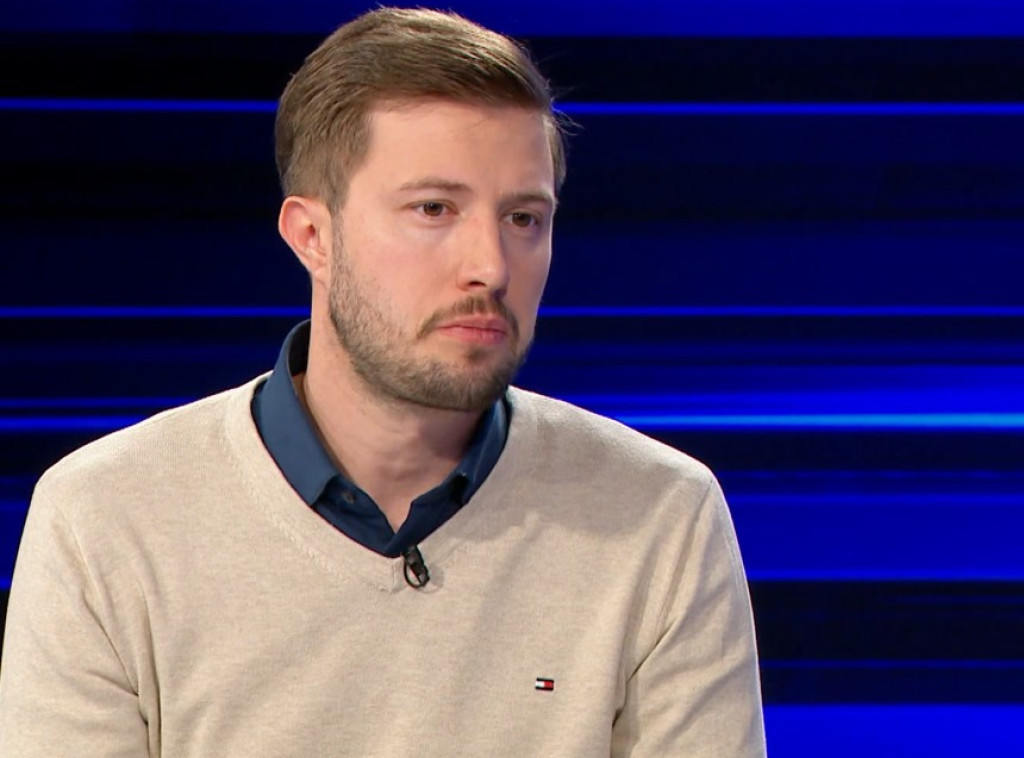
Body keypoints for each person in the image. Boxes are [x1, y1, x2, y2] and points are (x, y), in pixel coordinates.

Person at [0, 7, 766, 756]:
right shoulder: (106, 520)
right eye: (434, 209)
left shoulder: (660, 517)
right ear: (312, 235)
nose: (491, 267)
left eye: (524, 219)